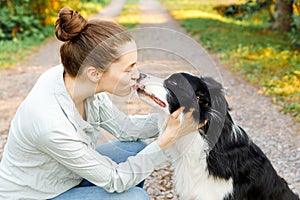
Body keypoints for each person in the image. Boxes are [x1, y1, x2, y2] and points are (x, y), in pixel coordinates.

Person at [0, 7, 199, 200]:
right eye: (128, 69)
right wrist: (166, 139)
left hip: (69, 176)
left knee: (135, 148)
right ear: (95, 73)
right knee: (135, 197)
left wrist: (175, 118)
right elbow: (116, 179)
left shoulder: (80, 78)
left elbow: (126, 129)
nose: (136, 75)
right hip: (39, 195)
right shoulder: (50, 123)